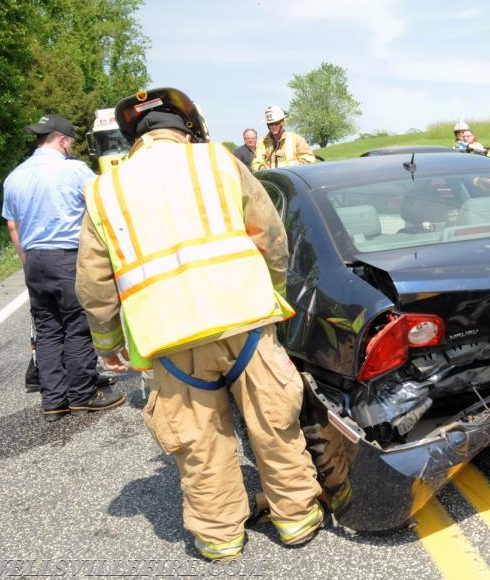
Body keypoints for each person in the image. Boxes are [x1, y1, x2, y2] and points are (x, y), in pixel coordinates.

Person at [75, 87, 323, 560]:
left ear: (134, 137)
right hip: (245, 321)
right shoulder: (218, 162)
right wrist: (273, 293)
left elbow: (94, 282)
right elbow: (270, 235)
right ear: (186, 127)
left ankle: (220, 537)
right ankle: (296, 517)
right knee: (273, 421)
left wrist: (108, 342)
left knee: (198, 442)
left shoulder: (105, 190)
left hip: (171, 339)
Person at [2, 114, 125, 422]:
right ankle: (83, 394)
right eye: (69, 143)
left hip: (34, 260)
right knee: (77, 325)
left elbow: (12, 227)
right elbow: (103, 208)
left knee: (47, 330)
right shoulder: (74, 171)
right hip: (68, 256)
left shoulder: (15, 176)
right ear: (63, 140)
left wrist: (28, 261)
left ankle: (54, 402)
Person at [251, 106, 315, 170]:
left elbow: (309, 159)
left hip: (292, 178)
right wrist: (261, 167)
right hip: (271, 179)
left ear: (282, 122)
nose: (273, 126)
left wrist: (293, 170)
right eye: (270, 124)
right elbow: (256, 163)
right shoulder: (262, 142)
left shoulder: (296, 139)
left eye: (276, 123)